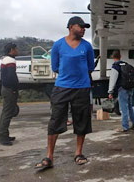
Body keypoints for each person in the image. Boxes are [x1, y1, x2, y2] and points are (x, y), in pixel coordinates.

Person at [35, 16, 95, 169]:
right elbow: (55, 67)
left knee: (82, 120)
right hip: (62, 87)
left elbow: (90, 67)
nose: (83, 29)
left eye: (85, 27)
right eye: (81, 26)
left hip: (82, 87)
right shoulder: (58, 45)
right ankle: (49, 156)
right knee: (55, 120)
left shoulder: (87, 46)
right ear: (70, 26)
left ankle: (78, 153)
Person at [108, 51, 134, 131]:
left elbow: (113, 79)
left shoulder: (115, 66)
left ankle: (125, 126)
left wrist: (110, 91)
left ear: (113, 57)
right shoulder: (126, 64)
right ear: (120, 56)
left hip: (122, 89)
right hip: (129, 88)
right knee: (130, 107)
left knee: (123, 108)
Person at [0, 42, 20, 146]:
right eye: (16, 49)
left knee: (6, 112)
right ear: (11, 50)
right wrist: (15, 89)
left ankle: (5, 135)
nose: (17, 50)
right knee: (7, 113)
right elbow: (11, 77)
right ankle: (3, 137)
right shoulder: (10, 60)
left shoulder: (5, 59)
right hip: (9, 89)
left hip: (5, 88)